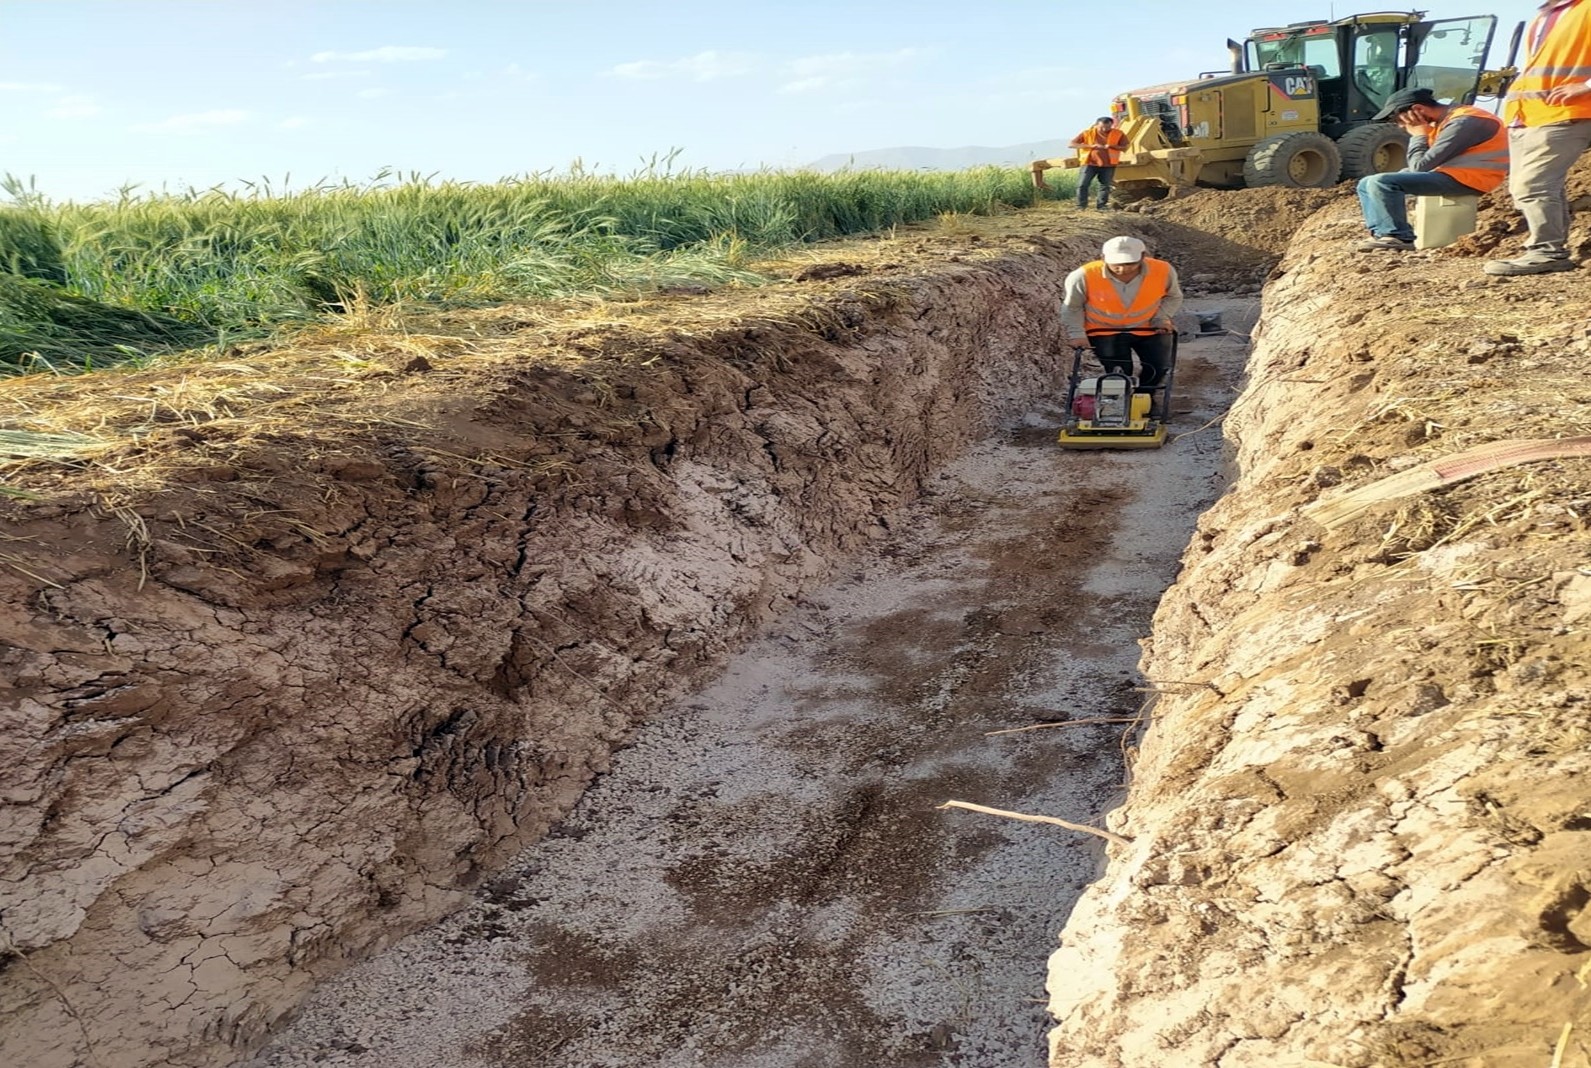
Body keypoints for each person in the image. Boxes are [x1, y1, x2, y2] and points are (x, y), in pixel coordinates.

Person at [1484, 0, 1591, 276]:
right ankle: (1549, 248)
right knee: (1531, 187)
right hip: (1527, 115)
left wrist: (1587, 85)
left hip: (1566, 112)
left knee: (1533, 185)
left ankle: (1547, 252)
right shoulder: (1545, 15)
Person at [1353, 86, 1509, 252]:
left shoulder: (1465, 122)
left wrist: (1419, 135)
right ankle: (1381, 234)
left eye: (1399, 119)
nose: (1400, 126)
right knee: (1365, 183)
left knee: (1381, 182)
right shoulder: (1448, 121)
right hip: (1453, 174)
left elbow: (1419, 167)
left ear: (1418, 109)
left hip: (1472, 179)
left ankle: (1397, 236)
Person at [1060, 236, 1183, 392]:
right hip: (1104, 331)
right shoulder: (1084, 276)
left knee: (1158, 367)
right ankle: (1121, 404)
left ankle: (1143, 399)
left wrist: (1161, 318)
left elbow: (1174, 296)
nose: (1123, 269)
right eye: (1117, 265)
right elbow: (1072, 307)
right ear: (1103, 258)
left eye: (1130, 264)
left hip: (1149, 327)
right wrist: (1077, 334)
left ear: (1143, 257)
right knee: (1119, 374)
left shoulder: (1163, 270)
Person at [1070, 116, 1126, 210]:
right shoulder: (1087, 133)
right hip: (1089, 163)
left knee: (1105, 186)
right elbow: (1071, 144)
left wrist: (1112, 146)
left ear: (1111, 125)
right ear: (1096, 125)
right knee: (1082, 184)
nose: (1104, 130)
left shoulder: (1118, 134)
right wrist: (1091, 146)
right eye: (1101, 127)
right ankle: (1081, 206)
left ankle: (1102, 206)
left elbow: (1125, 147)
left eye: (1107, 127)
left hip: (1108, 164)